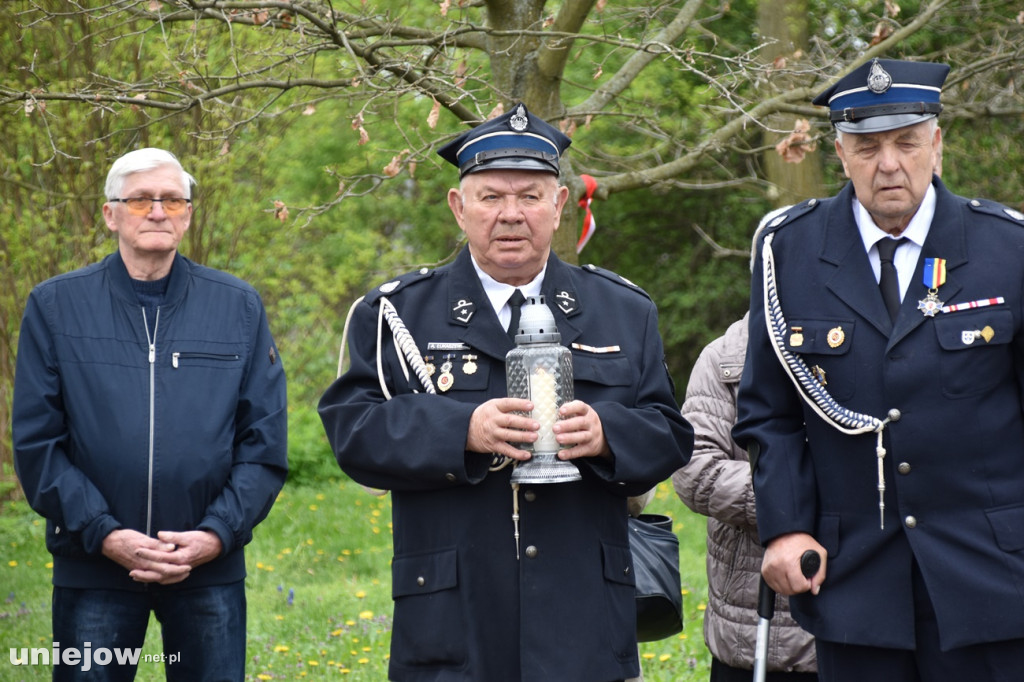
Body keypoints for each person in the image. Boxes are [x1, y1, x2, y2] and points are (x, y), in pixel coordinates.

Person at [318, 103, 693, 681]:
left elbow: (669, 434)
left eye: (530, 197)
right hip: (454, 617)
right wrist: (461, 431)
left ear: (559, 205)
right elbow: (353, 432)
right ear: (459, 207)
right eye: (491, 197)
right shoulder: (397, 312)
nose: (511, 215)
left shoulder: (622, 311)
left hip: (583, 623)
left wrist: (605, 435)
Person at [733, 57, 1024, 682]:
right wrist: (785, 528)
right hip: (855, 576)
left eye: (906, 143)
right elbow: (769, 411)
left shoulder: (1008, 248)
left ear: (936, 144)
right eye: (866, 147)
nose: (888, 164)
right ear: (840, 153)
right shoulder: (790, 250)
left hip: (994, 576)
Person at [12, 148, 288, 681]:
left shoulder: (238, 306)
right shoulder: (55, 306)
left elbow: (264, 444)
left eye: (172, 199)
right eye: (140, 200)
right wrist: (104, 533)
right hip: (94, 566)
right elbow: (36, 444)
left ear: (188, 213)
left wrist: (216, 534)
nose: (158, 211)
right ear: (110, 213)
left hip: (207, 567)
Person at [673, 209, 818, 682]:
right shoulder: (724, 358)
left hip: (850, 618)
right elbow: (695, 470)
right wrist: (792, 500)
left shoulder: (861, 349)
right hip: (752, 623)